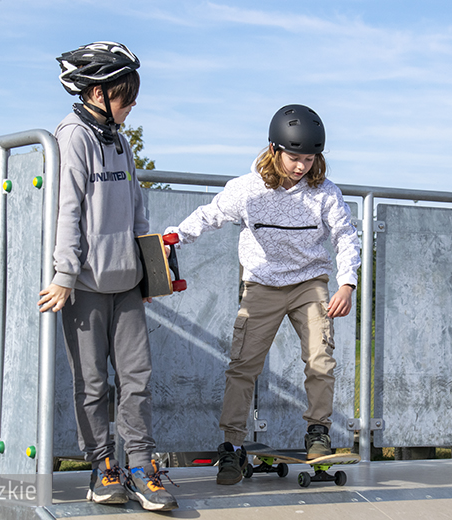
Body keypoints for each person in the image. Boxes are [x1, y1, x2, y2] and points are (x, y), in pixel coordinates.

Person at [165, 104, 361, 485]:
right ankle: (231, 445)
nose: (301, 167)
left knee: (320, 360)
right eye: (294, 158)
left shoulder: (325, 193)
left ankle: (318, 432)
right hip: (262, 286)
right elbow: (209, 215)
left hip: (309, 284)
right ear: (273, 149)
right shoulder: (248, 190)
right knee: (243, 367)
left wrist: (347, 282)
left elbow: (345, 237)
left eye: (309, 158)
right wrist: (173, 239)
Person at [38, 41, 177, 511]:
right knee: (93, 382)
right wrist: (63, 274)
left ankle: (140, 465)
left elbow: (138, 210)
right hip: (85, 286)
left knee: (137, 378)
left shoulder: (117, 138)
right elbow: (68, 209)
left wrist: (150, 273)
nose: (132, 104)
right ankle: (102, 466)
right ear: (97, 92)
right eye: (125, 95)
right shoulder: (73, 135)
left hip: (127, 284)